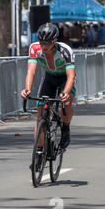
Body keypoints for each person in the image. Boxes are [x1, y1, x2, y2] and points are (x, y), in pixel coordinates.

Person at [21, 23, 76, 154]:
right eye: (42, 43)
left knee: (66, 104)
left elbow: (71, 76)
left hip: (64, 79)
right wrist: (27, 89)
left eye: (48, 43)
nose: (44, 46)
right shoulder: (34, 48)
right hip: (49, 79)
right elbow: (31, 71)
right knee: (40, 116)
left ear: (55, 41)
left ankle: (65, 128)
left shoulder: (65, 50)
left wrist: (66, 93)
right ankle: (39, 150)